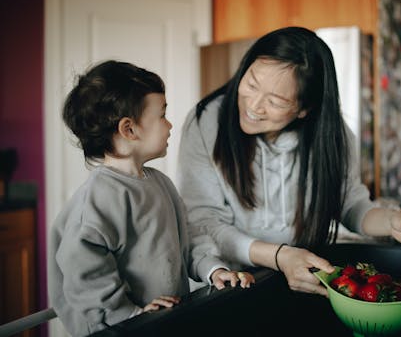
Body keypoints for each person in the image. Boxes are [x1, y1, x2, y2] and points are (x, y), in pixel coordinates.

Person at [176, 26, 401, 297]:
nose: (254, 106)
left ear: (305, 109)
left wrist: (392, 222)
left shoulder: (333, 136)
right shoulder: (207, 123)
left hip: (298, 274)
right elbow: (204, 223)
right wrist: (280, 256)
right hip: (228, 282)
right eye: (251, 84)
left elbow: (351, 204)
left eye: (276, 101)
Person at [47, 60, 254, 336]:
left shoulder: (160, 184)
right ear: (129, 129)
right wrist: (128, 316)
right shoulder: (100, 196)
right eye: (162, 115)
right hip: (123, 329)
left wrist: (212, 270)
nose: (169, 125)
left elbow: (188, 239)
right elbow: (85, 272)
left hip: (162, 323)